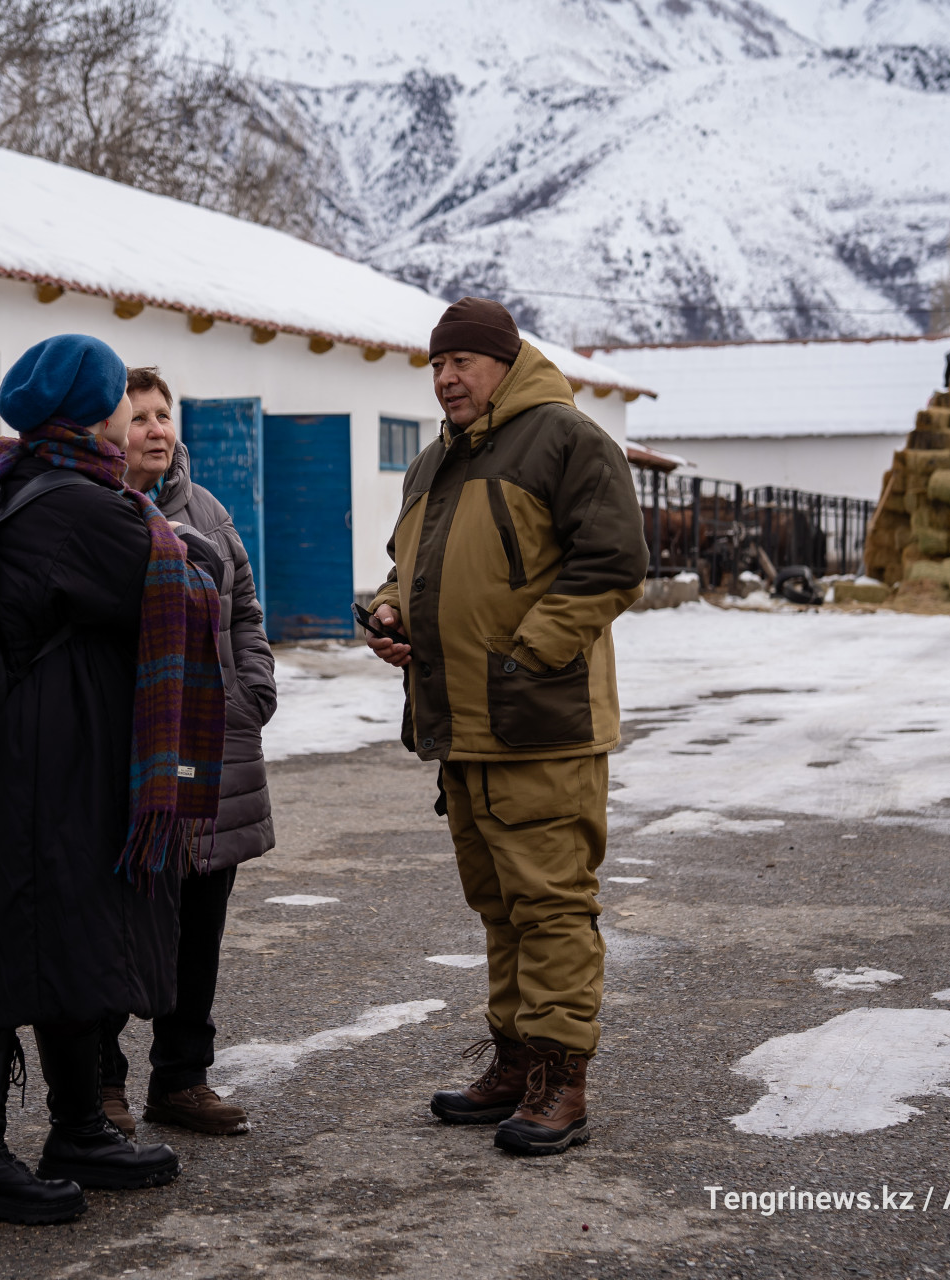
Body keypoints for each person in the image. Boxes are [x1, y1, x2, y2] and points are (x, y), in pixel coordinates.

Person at [0, 334, 226, 1225]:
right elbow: (182, 576)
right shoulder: (75, 505)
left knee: (60, 931)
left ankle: (76, 1129)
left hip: (33, 760)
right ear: (90, 411)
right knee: (2, 943)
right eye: (112, 402)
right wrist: (188, 552)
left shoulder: (17, 479)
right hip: (34, 765)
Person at [363, 297, 648, 1156]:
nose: (446, 378)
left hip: (541, 721)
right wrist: (385, 608)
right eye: (437, 365)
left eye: (463, 362)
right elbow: (403, 563)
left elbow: (616, 562)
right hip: (463, 727)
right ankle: (517, 1061)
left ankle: (565, 1080)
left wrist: (528, 652)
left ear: (504, 362)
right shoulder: (433, 463)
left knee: (553, 904)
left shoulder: (566, 439)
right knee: (499, 908)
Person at [99, 366, 277, 1138]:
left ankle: (181, 1079)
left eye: (165, 415)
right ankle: (100, 1086)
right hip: (124, 754)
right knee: (112, 922)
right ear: (110, 431)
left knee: (199, 925)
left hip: (210, 750)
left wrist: (251, 691)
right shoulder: (97, 511)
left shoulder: (205, 510)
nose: (157, 430)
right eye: (139, 418)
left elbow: (244, 607)